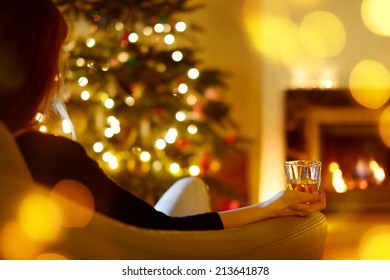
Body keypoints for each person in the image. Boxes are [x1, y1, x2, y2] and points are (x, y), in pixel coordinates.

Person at [0, 0, 326, 231]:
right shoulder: (48, 154)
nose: (59, 73)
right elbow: (161, 230)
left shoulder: (16, 153)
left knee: (191, 188)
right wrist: (272, 208)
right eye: (57, 58)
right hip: (151, 253)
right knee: (193, 190)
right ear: (36, 69)